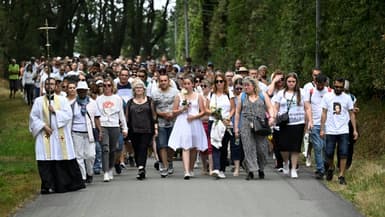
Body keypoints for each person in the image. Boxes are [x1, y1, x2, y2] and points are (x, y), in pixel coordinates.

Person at [29, 77, 84, 194]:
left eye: (52, 84)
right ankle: (48, 185)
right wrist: (44, 126)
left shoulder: (62, 100)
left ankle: (64, 185)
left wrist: (55, 112)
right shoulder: (38, 101)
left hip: (60, 135)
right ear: (44, 86)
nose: (50, 86)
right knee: (46, 159)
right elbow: (33, 118)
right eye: (47, 84)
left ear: (56, 86)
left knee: (62, 157)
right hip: (45, 135)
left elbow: (68, 115)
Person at [234, 77, 275, 180]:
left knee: (262, 149)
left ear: (253, 86)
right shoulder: (242, 97)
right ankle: (250, 171)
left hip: (260, 124)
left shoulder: (262, 95)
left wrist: (271, 117)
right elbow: (237, 113)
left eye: (248, 85)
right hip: (246, 124)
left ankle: (261, 168)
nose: (245, 87)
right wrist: (236, 128)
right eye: (244, 85)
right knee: (249, 148)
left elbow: (270, 107)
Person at [320, 78, 358, 185]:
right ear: (333, 85)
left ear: (343, 87)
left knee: (344, 153)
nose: (338, 89)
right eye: (336, 87)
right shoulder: (327, 97)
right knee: (328, 153)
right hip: (331, 130)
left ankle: (341, 175)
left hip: (343, 130)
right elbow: (324, 113)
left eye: (340, 87)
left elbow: (351, 114)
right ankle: (331, 167)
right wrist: (322, 128)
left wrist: (354, 130)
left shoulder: (347, 98)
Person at [168, 76, 208, 179]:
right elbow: (174, 111)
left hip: (195, 122)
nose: (186, 86)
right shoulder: (179, 96)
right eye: (185, 84)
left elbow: (203, 111)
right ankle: (186, 171)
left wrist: (195, 117)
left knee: (194, 147)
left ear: (193, 84)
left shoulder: (198, 96)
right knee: (185, 146)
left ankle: (190, 169)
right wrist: (182, 109)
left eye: (188, 83)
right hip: (183, 122)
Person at [272, 72, 310, 179]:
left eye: (293, 81)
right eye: (289, 81)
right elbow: (276, 107)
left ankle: (293, 168)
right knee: (283, 147)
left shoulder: (302, 92)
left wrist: (310, 120)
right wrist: (274, 117)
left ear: (296, 82)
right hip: (284, 122)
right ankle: (285, 162)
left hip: (298, 122)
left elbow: (307, 107)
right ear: (286, 82)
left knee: (295, 147)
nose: (291, 83)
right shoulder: (281, 93)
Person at [96, 78, 128, 182]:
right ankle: (105, 171)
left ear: (112, 87)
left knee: (113, 149)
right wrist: (98, 128)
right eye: (104, 85)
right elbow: (96, 115)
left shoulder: (117, 98)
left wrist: (125, 128)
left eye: (109, 85)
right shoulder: (99, 99)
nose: (106, 88)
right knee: (105, 148)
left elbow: (121, 114)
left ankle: (110, 168)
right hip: (103, 125)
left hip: (114, 125)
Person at [125, 79, 158, 180]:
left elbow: (154, 115)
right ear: (134, 90)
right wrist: (125, 128)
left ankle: (141, 168)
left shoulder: (149, 101)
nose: (139, 90)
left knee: (143, 147)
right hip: (134, 129)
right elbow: (127, 117)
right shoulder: (130, 102)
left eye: (140, 88)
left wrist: (156, 127)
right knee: (136, 148)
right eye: (136, 88)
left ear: (144, 89)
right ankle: (139, 165)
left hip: (147, 128)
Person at [71, 81, 102, 184]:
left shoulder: (92, 103)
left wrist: (100, 130)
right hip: (76, 131)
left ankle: (90, 172)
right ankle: (83, 177)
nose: (82, 93)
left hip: (90, 131)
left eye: (84, 91)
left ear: (87, 91)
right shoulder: (73, 104)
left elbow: (97, 118)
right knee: (79, 155)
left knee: (90, 155)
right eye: (80, 91)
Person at [304, 74, 331, 179]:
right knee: (317, 147)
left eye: (321, 84)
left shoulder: (330, 92)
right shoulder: (310, 92)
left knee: (325, 147)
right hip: (314, 123)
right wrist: (309, 121)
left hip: (328, 124)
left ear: (325, 83)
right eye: (318, 84)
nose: (319, 86)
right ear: (315, 82)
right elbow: (307, 107)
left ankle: (325, 165)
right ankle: (320, 170)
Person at [208, 73, 235, 179]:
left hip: (225, 123)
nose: (219, 83)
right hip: (214, 122)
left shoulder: (229, 94)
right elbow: (206, 108)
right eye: (217, 81)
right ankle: (216, 168)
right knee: (215, 144)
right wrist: (213, 113)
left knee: (223, 146)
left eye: (221, 81)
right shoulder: (211, 94)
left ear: (224, 82)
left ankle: (222, 168)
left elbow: (233, 108)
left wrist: (228, 117)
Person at [152, 73, 179, 177]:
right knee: (162, 145)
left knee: (171, 145)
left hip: (173, 121)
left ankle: (170, 160)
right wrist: (158, 116)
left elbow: (180, 105)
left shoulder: (176, 92)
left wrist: (173, 113)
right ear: (159, 82)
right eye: (161, 81)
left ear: (169, 81)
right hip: (161, 122)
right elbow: (153, 108)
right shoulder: (155, 94)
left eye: (165, 80)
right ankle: (165, 166)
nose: (163, 82)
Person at [302, 68, 322, 166]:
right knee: (308, 136)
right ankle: (308, 154)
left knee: (319, 139)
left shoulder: (325, 86)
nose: (316, 77)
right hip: (309, 113)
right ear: (312, 75)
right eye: (314, 75)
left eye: (318, 75)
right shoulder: (307, 86)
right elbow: (305, 102)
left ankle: (320, 159)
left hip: (320, 115)